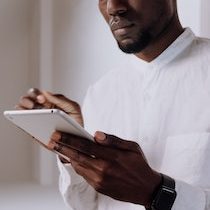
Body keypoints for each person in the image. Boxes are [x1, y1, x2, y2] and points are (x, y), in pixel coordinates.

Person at [17, 0, 210, 209]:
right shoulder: (100, 93)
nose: (113, 7)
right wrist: (71, 147)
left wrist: (156, 192)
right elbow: (88, 205)